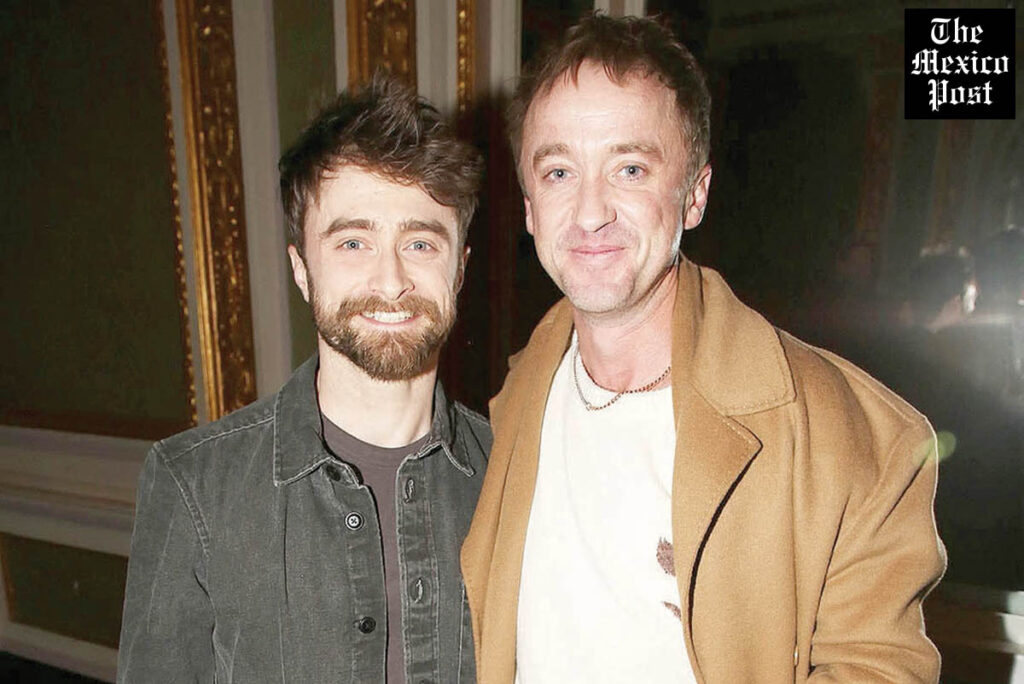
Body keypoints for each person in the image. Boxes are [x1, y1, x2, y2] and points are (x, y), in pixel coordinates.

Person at [460, 14, 945, 683]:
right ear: (528, 208)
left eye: (630, 168)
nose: (591, 212)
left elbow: (881, 670)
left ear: (694, 195)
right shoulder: (509, 404)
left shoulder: (858, 441)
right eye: (560, 172)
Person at [119, 75, 489, 683]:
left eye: (421, 244)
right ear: (301, 268)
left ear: (459, 270)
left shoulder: (513, 473)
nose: (391, 281)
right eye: (353, 243)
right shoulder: (194, 486)